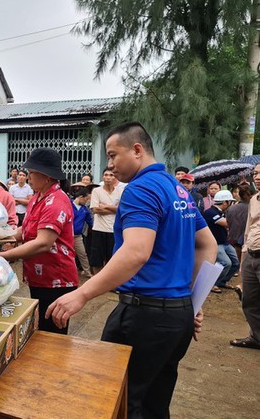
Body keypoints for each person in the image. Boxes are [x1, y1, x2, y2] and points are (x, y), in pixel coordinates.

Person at [46, 122, 217, 419]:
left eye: (113, 155)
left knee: (122, 403)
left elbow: (136, 252)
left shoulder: (141, 189)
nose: (110, 164)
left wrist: (82, 294)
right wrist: (191, 301)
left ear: (137, 150)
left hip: (144, 317)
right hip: (175, 320)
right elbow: (207, 245)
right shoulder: (177, 188)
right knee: (155, 401)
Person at [0, 148, 78, 334]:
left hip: (56, 280)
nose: (27, 176)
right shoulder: (37, 198)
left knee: (51, 336)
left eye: (32, 172)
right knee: (40, 329)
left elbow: (43, 242)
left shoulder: (56, 201)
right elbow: (24, 230)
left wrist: (3, 256)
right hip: (39, 277)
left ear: (46, 176)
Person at [230, 163, 260, 350]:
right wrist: (243, 258)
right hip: (251, 255)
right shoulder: (255, 200)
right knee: (250, 301)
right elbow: (249, 229)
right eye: (256, 173)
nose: (257, 177)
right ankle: (257, 337)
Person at [204, 190, 239, 293]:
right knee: (225, 263)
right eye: (230, 202)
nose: (231, 204)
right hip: (216, 244)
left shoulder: (221, 212)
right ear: (225, 202)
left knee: (236, 263)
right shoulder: (210, 212)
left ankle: (222, 282)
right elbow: (226, 223)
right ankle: (212, 284)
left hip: (225, 242)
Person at [89, 167, 122, 274]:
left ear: (115, 177)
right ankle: (96, 283)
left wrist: (105, 206)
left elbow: (121, 210)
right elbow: (95, 209)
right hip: (98, 229)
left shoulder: (120, 191)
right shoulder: (97, 191)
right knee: (96, 259)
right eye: (106, 175)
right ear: (103, 177)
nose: (108, 178)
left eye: (111, 175)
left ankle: (109, 284)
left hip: (113, 230)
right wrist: (113, 208)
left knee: (112, 259)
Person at [72, 188, 93, 278]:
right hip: (65, 235)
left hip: (77, 236)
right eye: (86, 199)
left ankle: (87, 272)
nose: (87, 201)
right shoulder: (68, 204)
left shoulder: (85, 210)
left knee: (82, 254)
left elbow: (91, 222)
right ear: (81, 197)